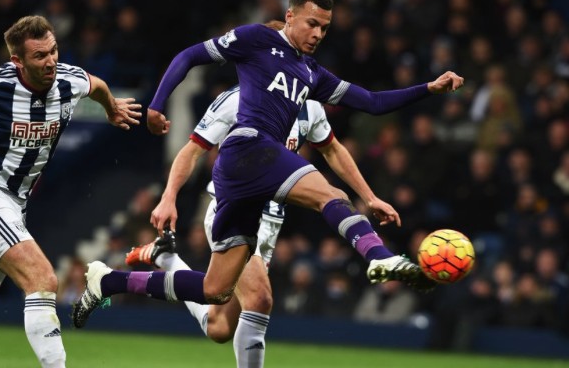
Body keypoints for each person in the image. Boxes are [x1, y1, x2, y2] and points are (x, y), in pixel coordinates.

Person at [73, 0, 463, 334]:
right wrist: (157, 105)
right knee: (331, 196)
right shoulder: (257, 38)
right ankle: (380, 257)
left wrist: (429, 88)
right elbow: (190, 55)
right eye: (312, 23)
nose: (318, 34)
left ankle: (108, 282)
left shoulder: (312, 74)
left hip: (250, 184)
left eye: (325, 28)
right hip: (248, 148)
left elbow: (374, 103)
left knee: (214, 292)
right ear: (291, 15)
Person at [125, 64, 402, 367]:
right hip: (232, 209)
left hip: (271, 222)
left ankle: (167, 258)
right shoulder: (237, 99)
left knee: (219, 327)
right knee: (259, 300)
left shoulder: (309, 105)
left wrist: (370, 196)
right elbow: (192, 151)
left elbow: (333, 150)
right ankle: (117, 281)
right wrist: (169, 197)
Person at [0, 15, 141, 367]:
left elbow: (97, 84)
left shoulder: (69, 80)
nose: (51, 61)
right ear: (18, 61)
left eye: (54, 51)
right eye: (40, 56)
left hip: (14, 207)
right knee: (42, 279)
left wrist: (112, 108)